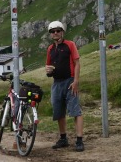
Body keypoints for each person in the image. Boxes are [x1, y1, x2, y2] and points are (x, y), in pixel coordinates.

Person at [45, 21, 84, 152]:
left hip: (70, 81)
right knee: (58, 112)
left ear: (62, 31)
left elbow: (77, 63)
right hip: (57, 83)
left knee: (75, 111)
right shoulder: (50, 49)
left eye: (57, 30)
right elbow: (48, 67)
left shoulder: (70, 45)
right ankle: (63, 139)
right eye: (52, 31)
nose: (55, 33)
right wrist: (48, 71)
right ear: (50, 34)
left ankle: (79, 140)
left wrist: (76, 81)